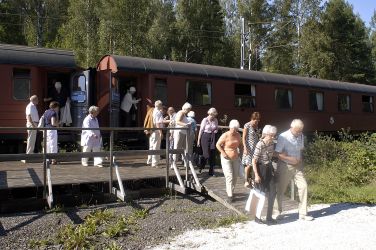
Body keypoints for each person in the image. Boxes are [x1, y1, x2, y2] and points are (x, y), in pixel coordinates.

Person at [274, 119, 313, 221]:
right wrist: (290, 159)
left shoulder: (300, 135)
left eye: (301, 130)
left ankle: (303, 214)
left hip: (298, 166)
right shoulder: (283, 136)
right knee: (280, 190)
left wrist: (299, 159)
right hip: (285, 166)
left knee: (304, 186)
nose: (299, 133)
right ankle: (277, 212)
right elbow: (278, 154)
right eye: (297, 131)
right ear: (291, 127)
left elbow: (301, 149)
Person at [252, 125, 277, 224]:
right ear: (266, 134)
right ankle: (256, 217)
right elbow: (254, 161)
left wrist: (281, 155)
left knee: (272, 192)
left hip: (268, 168)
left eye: (274, 135)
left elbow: (272, 154)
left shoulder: (272, 143)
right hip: (260, 168)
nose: (273, 137)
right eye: (271, 135)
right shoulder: (260, 144)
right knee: (259, 193)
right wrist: (257, 175)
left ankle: (269, 217)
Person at [216, 119, 243, 203]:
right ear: (230, 128)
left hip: (235, 158)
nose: (235, 131)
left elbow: (241, 145)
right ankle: (230, 195)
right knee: (229, 176)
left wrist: (241, 154)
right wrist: (223, 152)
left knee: (235, 176)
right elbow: (218, 144)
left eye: (236, 129)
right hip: (226, 158)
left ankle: (231, 191)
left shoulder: (238, 135)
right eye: (233, 129)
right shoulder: (225, 135)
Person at [197, 107, 218, 176]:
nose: (213, 116)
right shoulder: (205, 120)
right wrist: (198, 140)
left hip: (213, 136)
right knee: (206, 154)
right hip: (205, 136)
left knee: (212, 153)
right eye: (212, 115)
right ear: (210, 114)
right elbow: (201, 130)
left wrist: (215, 131)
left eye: (214, 115)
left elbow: (216, 128)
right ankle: (201, 167)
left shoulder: (215, 120)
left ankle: (211, 171)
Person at [242, 112, 261, 188]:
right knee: (248, 165)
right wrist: (245, 147)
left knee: (254, 164)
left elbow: (257, 136)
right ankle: (246, 180)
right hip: (249, 147)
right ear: (252, 119)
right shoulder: (247, 125)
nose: (256, 122)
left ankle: (252, 180)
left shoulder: (256, 126)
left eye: (258, 121)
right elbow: (243, 137)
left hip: (255, 147)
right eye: (255, 120)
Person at [146, 100, 164, 168]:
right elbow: (157, 123)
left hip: (151, 130)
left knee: (151, 146)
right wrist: (160, 132)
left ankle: (149, 160)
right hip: (156, 131)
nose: (162, 106)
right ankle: (155, 163)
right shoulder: (158, 112)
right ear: (159, 105)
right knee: (156, 147)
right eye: (161, 105)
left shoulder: (152, 110)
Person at [23, 95, 39, 161]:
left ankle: (30, 154)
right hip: (32, 124)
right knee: (31, 139)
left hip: (34, 123)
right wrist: (33, 125)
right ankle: (29, 155)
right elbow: (29, 116)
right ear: (34, 100)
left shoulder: (33, 106)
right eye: (37, 99)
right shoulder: (30, 106)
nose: (38, 100)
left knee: (32, 139)